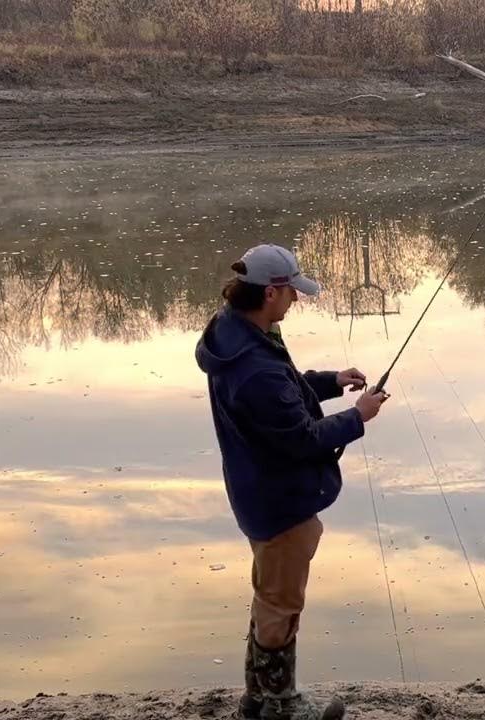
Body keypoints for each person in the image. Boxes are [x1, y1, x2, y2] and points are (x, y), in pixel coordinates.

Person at [195, 244, 389, 720]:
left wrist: (328, 380)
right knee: (281, 605)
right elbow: (301, 438)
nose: (295, 302)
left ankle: (258, 700)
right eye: (290, 293)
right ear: (269, 293)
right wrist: (358, 417)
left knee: (269, 599)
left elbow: (284, 393)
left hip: (258, 494)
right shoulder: (254, 366)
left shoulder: (236, 335)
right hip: (279, 504)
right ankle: (280, 705)